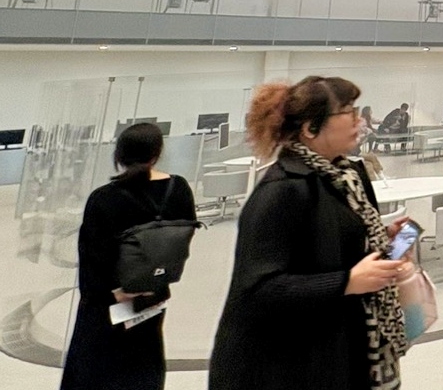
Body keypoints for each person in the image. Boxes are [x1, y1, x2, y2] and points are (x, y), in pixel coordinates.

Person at [210, 76, 413, 390]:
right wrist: (347, 281)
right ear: (310, 128)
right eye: (348, 112)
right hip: (292, 364)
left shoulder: (347, 177)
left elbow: (333, 241)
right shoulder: (282, 190)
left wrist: (384, 240)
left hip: (345, 344)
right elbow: (258, 289)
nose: (359, 121)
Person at [61, 122, 197, 390]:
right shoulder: (178, 189)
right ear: (157, 153)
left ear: (119, 155)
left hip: (110, 305)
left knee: (97, 374)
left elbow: (92, 265)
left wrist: (115, 293)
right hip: (152, 297)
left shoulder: (103, 199)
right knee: (143, 368)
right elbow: (183, 235)